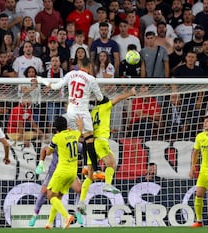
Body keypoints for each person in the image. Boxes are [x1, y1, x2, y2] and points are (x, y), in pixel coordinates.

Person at [37, 58, 104, 177]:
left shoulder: (71, 74)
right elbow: (99, 98)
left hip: (71, 111)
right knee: (89, 141)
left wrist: (41, 80)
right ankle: (96, 170)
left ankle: (82, 167)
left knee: (77, 139)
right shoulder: (91, 79)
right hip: (82, 113)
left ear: (79, 65)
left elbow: (55, 86)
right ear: (89, 67)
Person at [77, 87, 137, 215]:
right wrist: (131, 93)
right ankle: (107, 184)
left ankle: (81, 202)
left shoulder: (92, 113)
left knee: (90, 175)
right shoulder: (105, 106)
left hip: (90, 143)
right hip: (101, 141)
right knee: (112, 164)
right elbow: (119, 98)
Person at [29, 145, 82, 227]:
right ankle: (35, 215)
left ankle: (77, 212)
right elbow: (45, 149)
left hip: (68, 172)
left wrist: (84, 163)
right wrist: (41, 164)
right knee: (44, 192)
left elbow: (85, 149)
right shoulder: (58, 141)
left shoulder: (73, 142)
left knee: (79, 189)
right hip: (53, 173)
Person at [44, 116, 82, 229]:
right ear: (66, 126)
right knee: (58, 196)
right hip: (73, 172)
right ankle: (49, 223)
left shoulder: (57, 137)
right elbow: (80, 130)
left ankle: (66, 216)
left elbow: (49, 153)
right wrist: (80, 123)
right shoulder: (74, 134)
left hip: (62, 171)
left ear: (56, 128)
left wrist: (48, 149)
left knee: (50, 195)